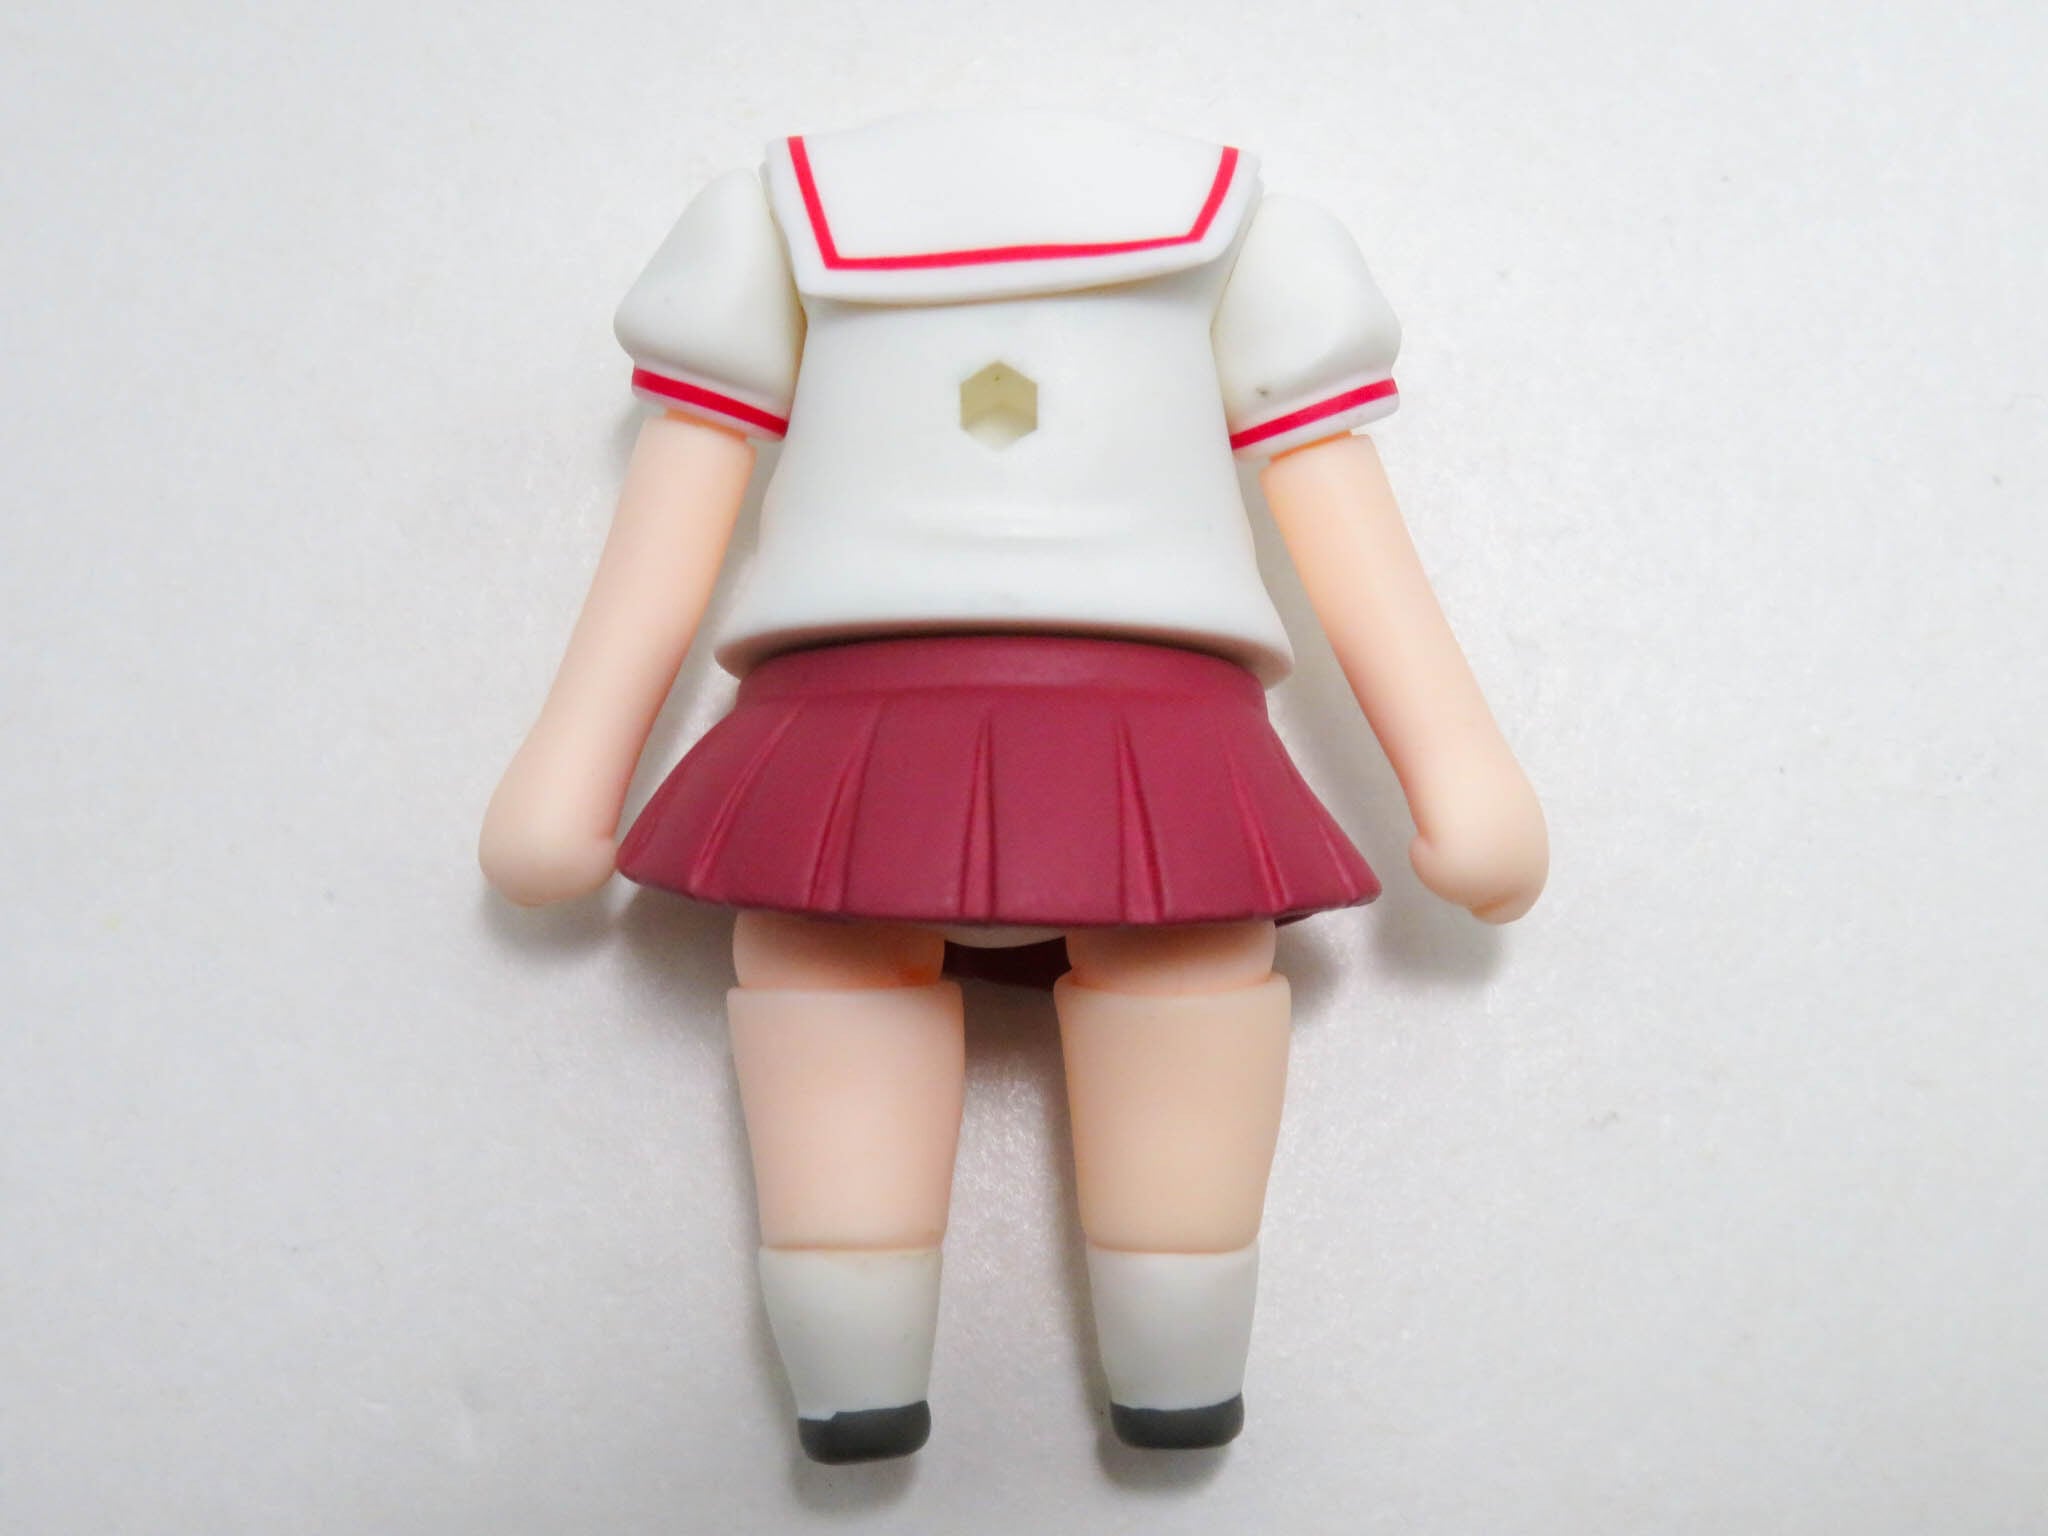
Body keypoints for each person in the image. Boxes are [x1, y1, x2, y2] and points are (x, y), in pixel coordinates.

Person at [481, 110, 1547, 1462]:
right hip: (861, 715)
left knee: (1159, 984)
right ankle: (863, 1367)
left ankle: (1171, 1363)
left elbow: (1339, 510)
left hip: (1133, 717)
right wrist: (573, 759)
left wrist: (1459, 763)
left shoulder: (1243, 238)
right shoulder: (774, 226)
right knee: (859, 978)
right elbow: (674, 509)